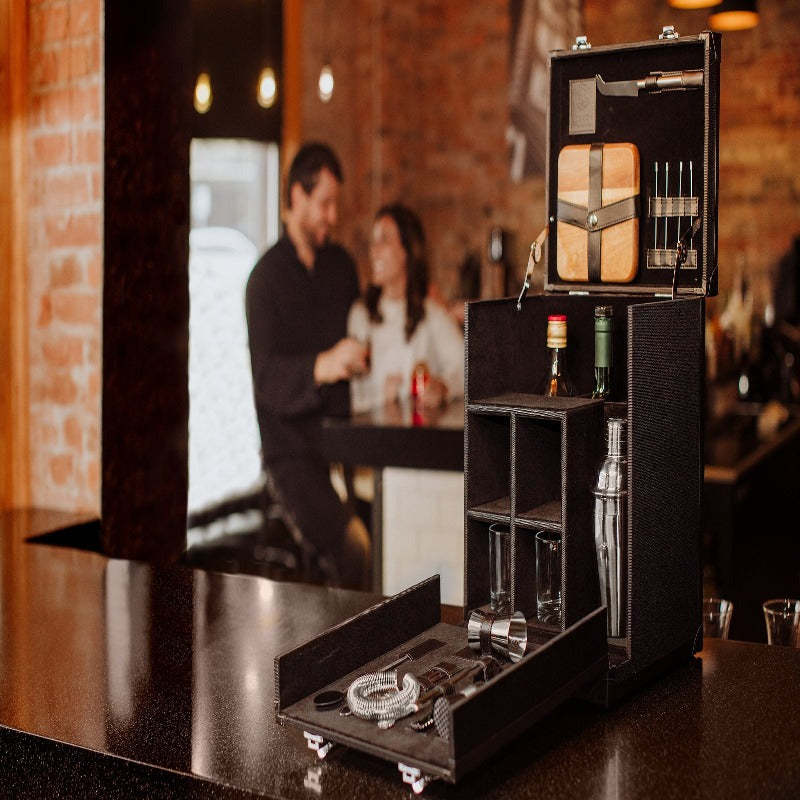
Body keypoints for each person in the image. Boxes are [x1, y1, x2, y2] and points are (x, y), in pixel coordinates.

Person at [245, 142, 370, 589]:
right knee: (358, 550)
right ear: (296, 196)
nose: (332, 217)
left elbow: (367, 328)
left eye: (335, 204)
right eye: (325, 204)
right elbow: (267, 381)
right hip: (291, 455)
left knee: (390, 530)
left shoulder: (341, 266)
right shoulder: (263, 281)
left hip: (346, 444)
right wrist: (323, 365)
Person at [348, 203, 465, 413]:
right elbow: (350, 396)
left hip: (418, 440)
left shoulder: (431, 313)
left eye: (384, 240)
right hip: (371, 439)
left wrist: (443, 387)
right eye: (373, 241)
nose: (373, 251)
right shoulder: (361, 315)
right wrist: (381, 397)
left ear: (407, 251)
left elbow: (467, 371)